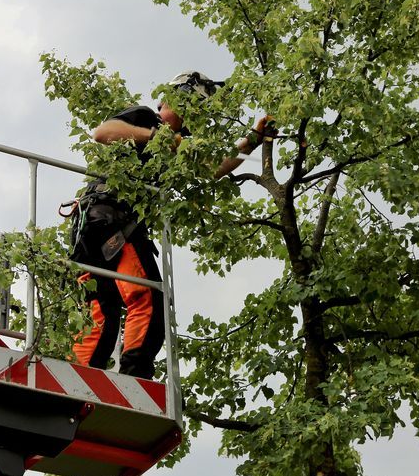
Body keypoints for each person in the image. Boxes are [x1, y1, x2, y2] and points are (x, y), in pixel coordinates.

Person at [67, 71, 272, 379]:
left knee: (103, 314)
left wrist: (253, 139)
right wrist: (157, 137)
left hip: (95, 230)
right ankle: (136, 380)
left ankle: (75, 380)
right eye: (189, 105)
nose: (191, 114)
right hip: (110, 218)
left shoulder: (179, 147)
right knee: (147, 299)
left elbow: (213, 169)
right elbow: (103, 132)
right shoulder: (146, 117)